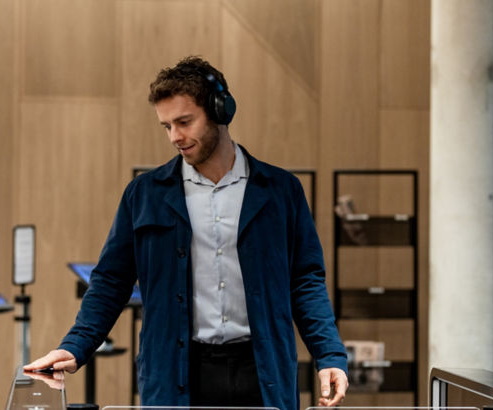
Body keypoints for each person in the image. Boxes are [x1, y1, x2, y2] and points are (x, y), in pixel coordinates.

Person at [25, 56, 348, 410]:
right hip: (176, 373)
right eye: (166, 126)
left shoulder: (281, 191)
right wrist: (75, 346)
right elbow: (110, 281)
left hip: (263, 369)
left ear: (220, 111)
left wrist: (329, 355)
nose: (175, 136)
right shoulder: (145, 194)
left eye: (184, 122)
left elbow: (305, 281)